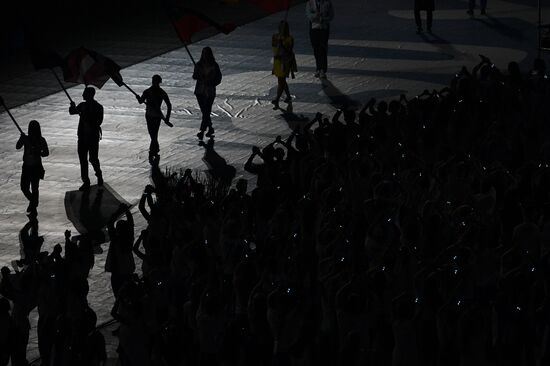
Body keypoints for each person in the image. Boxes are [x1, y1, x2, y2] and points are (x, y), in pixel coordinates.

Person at [69, 87, 104, 191]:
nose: (82, 95)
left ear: (89, 94)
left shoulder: (98, 107)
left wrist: (88, 117)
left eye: (84, 93)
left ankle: (99, 174)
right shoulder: (82, 105)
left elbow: (99, 121)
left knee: (93, 158)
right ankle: (86, 181)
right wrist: (72, 106)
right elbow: (72, 112)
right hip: (82, 137)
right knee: (83, 160)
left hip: (92, 137)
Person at [136, 75, 173, 163]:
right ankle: (154, 150)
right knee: (154, 133)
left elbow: (141, 101)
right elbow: (169, 105)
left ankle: (153, 151)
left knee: (153, 134)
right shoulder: (161, 92)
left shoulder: (147, 91)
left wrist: (138, 98)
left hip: (150, 115)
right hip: (157, 115)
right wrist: (167, 118)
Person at [16, 120, 49, 214]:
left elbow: (46, 153)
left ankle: (33, 207)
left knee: (35, 188)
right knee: (24, 187)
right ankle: (34, 202)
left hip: (36, 167)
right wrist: (21, 138)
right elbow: (18, 146)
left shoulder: (41, 140)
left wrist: (39, 152)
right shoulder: (26, 139)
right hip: (26, 166)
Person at [192, 47, 222, 140]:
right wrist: (198, 74)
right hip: (200, 91)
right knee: (205, 112)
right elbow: (194, 76)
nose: (205, 55)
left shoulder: (214, 65)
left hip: (209, 92)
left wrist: (210, 82)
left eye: (207, 53)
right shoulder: (199, 65)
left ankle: (202, 131)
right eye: (204, 53)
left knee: (206, 111)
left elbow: (218, 78)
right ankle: (210, 128)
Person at [272, 20, 296, 109]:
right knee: (281, 80)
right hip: (278, 61)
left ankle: (277, 98)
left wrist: (282, 44)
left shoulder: (290, 38)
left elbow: (289, 51)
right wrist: (278, 41)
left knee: (281, 80)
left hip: (285, 61)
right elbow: (273, 46)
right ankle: (288, 96)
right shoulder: (275, 36)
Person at [306, 0, 334, 79]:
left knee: (323, 48)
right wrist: (317, 16)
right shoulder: (310, 3)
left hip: (324, 28)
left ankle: (322, 69)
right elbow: (308, 15)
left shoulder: (327, 2)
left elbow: (331, 15)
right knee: (316, 48)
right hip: (314, 28)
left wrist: (324, 19)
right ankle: (318, 68)